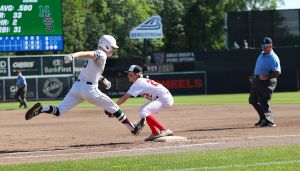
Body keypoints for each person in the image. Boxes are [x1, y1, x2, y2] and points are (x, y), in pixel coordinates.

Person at [25, 35, 145, 136]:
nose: (113, 50)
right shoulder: (101, 54)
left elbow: (92, 72)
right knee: (114, 108)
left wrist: (103, 79)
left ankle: (41, 109)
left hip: (77, 88)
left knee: (59, 110)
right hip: (89, 89)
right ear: (106, 46)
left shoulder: (98, 56)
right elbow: (86, 53)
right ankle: (133, 129)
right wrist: (73, 55)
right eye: (112, 48)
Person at [115, 65, 174, 141]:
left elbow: (125, 97)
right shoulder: (141, 81)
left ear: (136, 75)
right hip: (162, 98)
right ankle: (155, 133)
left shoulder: (138, 83)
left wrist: (114, 106)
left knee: (144, 112)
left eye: (130, 74)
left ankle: (164, 130)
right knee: (142, 109)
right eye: (128, 74)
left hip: (164, 99)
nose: (128, 76)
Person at [249, 37, 281, 127]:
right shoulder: (262, 53)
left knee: (263, 100)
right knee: (253, 100)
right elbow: (259, 67)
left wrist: (267, 77)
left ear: (271, 45)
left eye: (266, 45)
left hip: (267, 81)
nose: (264, 47)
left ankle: (270, 121)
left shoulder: (273, 57)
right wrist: (254, 75)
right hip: (257, 80)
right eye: (263, 45)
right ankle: (263, 118)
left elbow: (278, 72)